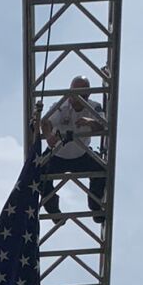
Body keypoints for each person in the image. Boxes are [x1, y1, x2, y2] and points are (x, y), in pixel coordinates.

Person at [38, 76, 107, 224]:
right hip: (57, 155)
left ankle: (95, 206)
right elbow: (45, 122)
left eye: (81, 94)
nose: (75, 97)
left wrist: (91, 122)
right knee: (37, 172)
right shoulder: (62, 105)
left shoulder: (94, 107)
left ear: (87, 95)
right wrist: (49, 136)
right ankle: (53, 211)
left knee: (102, 169)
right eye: (73, 92)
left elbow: (104, 125)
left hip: (81, 155)